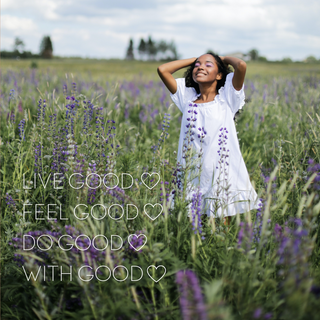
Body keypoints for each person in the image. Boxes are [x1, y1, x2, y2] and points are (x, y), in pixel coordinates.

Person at [157, 53, 261, 226]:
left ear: (219, 75)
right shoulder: (187, 98)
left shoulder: (227, 98)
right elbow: (163, 70)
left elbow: (241, 65)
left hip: (221, 173)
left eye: (208, 65)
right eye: (198, 65)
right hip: (192, 173)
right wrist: (196, 60)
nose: (201, 67)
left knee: (220, 225)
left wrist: (223, 58)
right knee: (193, 226)